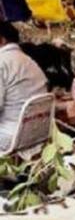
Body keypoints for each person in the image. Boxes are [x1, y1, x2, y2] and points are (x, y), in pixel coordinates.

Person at [0, 21, 48, 150]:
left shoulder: (2, 62)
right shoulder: (28, 60)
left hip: (9, 136)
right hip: (39, 132)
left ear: (1, 40)